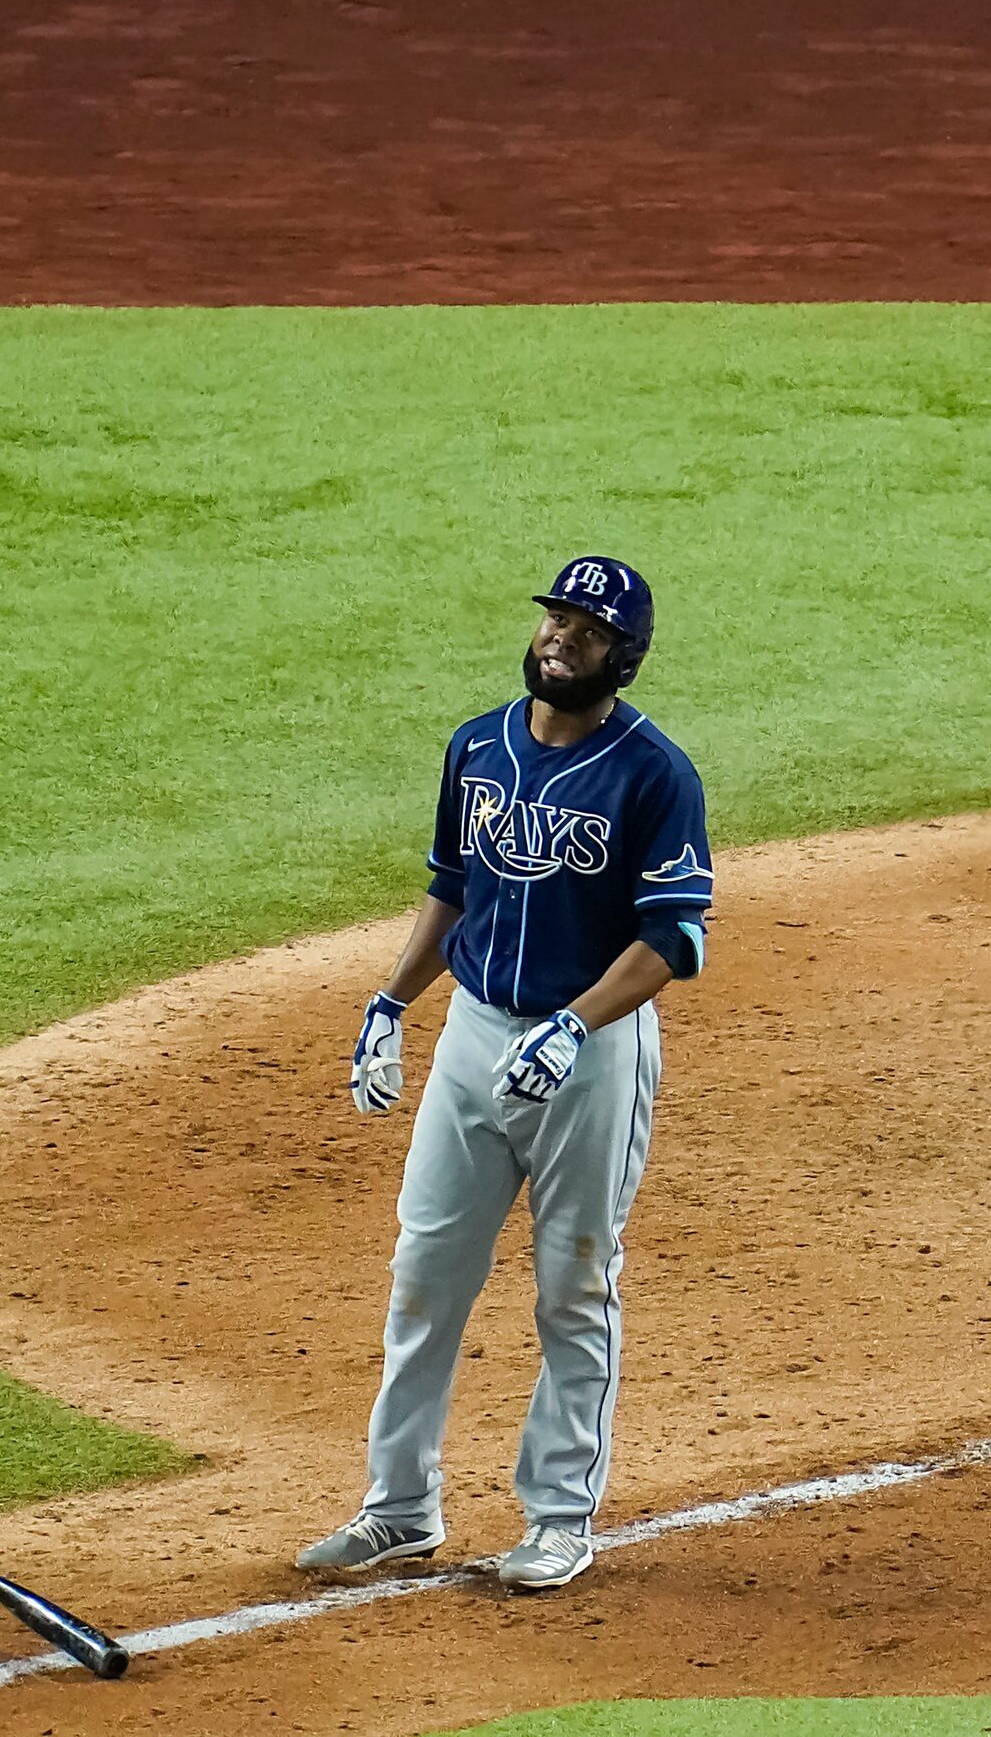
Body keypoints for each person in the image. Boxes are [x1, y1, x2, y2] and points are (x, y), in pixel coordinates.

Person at [296, 556, 713, 1591]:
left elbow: (673, 935)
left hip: (592, 1053)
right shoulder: (477, 747)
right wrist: (393, 1002)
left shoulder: (656, 774)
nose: (560, 637)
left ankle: (560, 1518)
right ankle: (399, 1507)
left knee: (573, 1285)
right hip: (478, 1036)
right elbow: (454, 888)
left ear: (624, 654)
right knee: (425, 1275)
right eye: (555, 618)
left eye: (586, 627)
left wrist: (573, 1027)